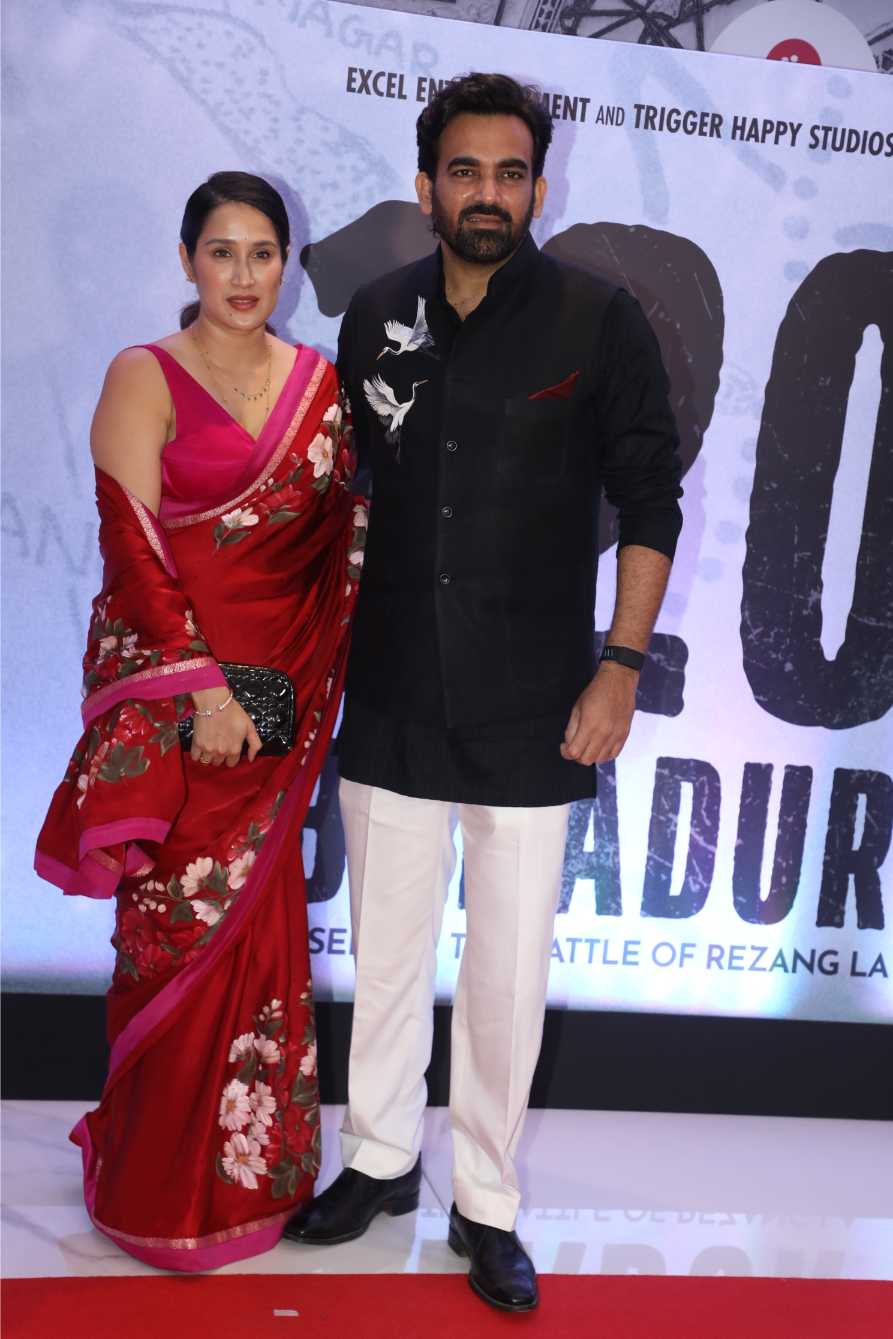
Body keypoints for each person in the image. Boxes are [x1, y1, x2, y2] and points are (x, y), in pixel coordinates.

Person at [284, 75, 683, 1312]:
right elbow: (342, 495)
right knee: (386, 954)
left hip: (535, 703)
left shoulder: (596, 320)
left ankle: (487, 1204)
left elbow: (650, 500)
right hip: (392, 687)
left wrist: (619, 666)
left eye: (510, 174)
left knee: (506, 973)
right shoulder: (373, 314)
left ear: (537, 189)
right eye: (465, 172)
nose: (488, 195)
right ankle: (377, 1158)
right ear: (426, 187)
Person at [35, 171, 365, 1271]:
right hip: (186, 716)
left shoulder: (319, 385)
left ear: (286, 263)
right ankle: (149, 1183)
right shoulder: (143, 373)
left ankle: (249, 1180)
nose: (242, 274)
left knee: (258, 936)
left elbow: (345, 536)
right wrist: (204, 693)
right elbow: (131, 546)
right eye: (221, 252)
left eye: (262, 253)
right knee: (171, 939)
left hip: (277, 714)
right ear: (188, 261)